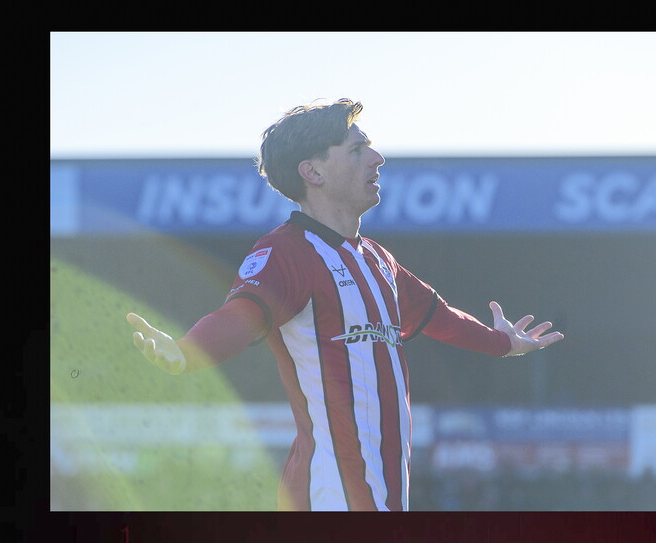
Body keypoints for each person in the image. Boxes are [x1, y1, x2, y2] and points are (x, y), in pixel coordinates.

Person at [125, 98, 564, 511]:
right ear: (313, 172)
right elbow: (241, 316)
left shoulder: (378, 260)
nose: (378, 159)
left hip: (385, 493)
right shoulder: (287, 252)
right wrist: (186, 353)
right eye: (357, 151)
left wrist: (502, 343)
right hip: (327, 494)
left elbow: (441, 318)